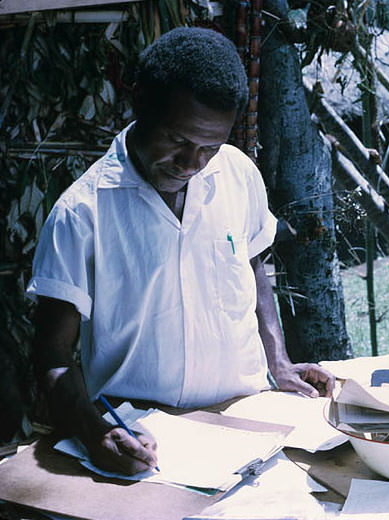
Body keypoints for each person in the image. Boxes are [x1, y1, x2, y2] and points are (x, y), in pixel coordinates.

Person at [26, 27, 333, 476]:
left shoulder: (237, 174)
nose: (192, 164)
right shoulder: (83, 212)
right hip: (147, 439)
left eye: (210, 146)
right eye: (177, 140)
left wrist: (278, 361)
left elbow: (253, 264)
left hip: (248, 421)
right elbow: (51, 353)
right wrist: (95, 433)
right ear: (141, 104)